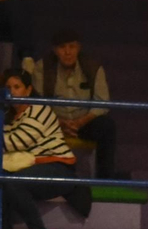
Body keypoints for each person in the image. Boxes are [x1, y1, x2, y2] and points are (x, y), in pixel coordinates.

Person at [0, 67, 85, 229]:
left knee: (13, 182)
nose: (12, 92)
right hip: (26, 169)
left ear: (28, 90)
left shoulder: (40, 109)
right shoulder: (5, 117)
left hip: (56, 168)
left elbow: (15, 141)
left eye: (17, 87)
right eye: (8, 87)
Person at [38, 29, 122, 180]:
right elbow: (38, 103)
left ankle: (105, 180)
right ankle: (36, 177)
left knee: (107, 126)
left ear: (78, 48)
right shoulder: (42, 68)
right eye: (62, 47)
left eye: (72, 47)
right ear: (55, 50)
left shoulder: (92, 67)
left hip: (83, 122)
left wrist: (79, 122)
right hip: (52, 122)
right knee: (32, 121)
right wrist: (59, 122)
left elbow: (102, 102)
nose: (68, 52)